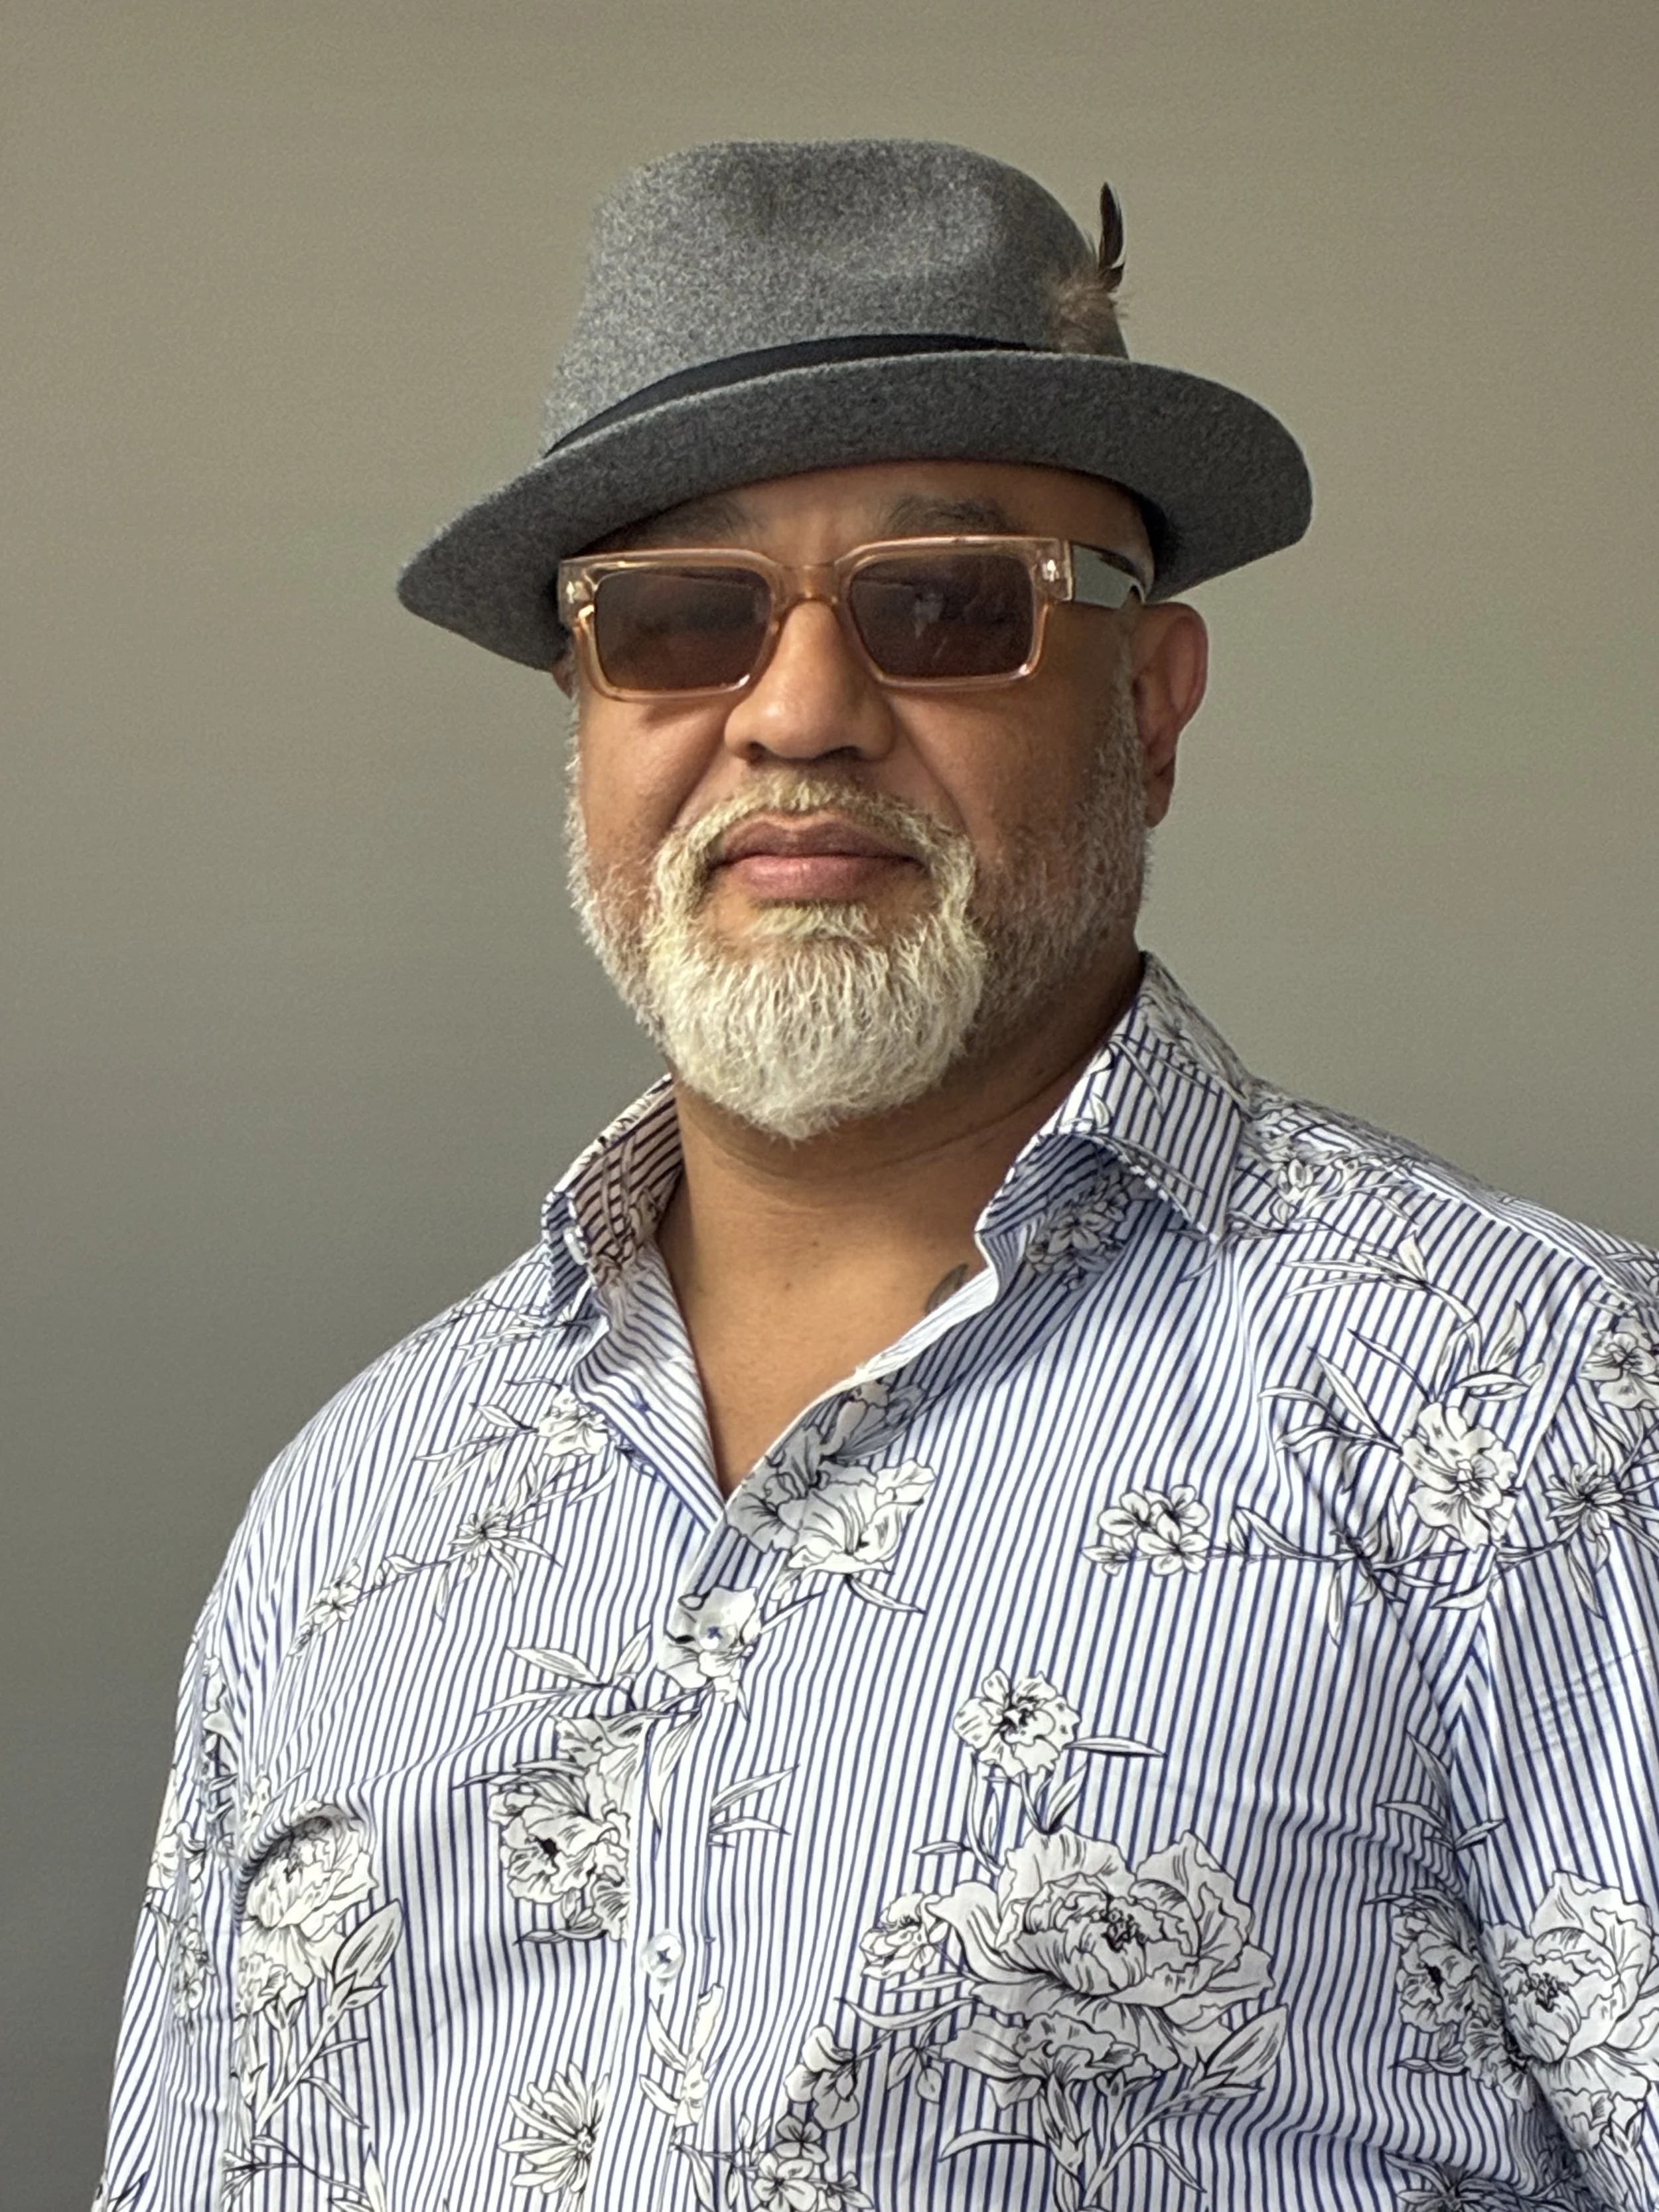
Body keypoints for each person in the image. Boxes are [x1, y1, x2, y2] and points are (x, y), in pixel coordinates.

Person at [97, 138, 1659, 2212]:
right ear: (585, 717)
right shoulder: (345, 1520)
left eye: (944, 603)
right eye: (675, 618)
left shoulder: (1544, 1409)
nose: (801, 711)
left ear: (1155, 706)